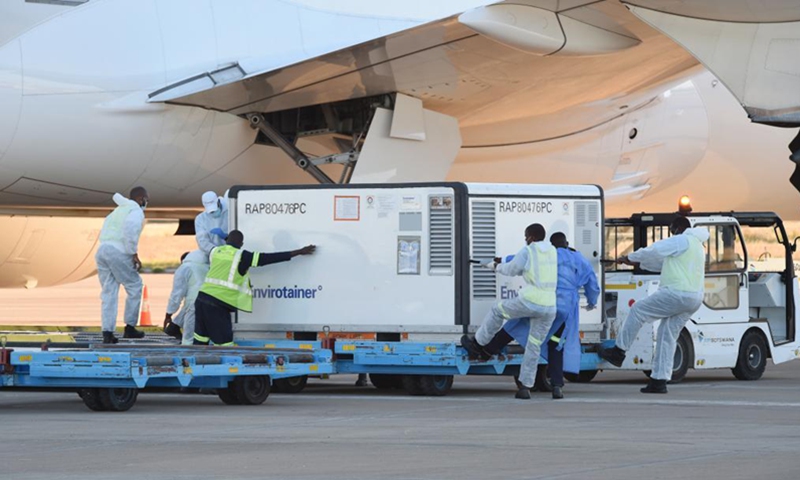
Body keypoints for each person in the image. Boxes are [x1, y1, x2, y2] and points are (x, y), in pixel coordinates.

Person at [481, 232, 600, 399]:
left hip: (548, 301)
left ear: (551, 244)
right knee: (556, 345)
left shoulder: (548, 254)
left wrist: (502, 260)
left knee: (515, 326)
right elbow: (592, 285)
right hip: (564, 310)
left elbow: (519, 259)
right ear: (566, 243)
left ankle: (486, 351)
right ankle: (557, 386)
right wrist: (591, 302)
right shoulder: (580, 259)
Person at [598, 216, 709, 394]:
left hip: (676, 293)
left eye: (672, 229)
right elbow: (661, 263)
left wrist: (630, 256)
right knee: (667, 336)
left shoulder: (682, 240)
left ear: (680, 227)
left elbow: (656, 250)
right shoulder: (697, 245)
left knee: (638, 310)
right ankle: (659, 380)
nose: (671, 233)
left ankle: (618, 352)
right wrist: (634, 261)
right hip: (694, 298)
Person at [461, 223, 558, 400]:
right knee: (533, 346)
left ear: (531, 237)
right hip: (550, 306)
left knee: (498, 310)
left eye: (526, 236)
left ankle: (478, 343)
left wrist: (494, 267)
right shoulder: (552, 251)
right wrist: (504, 259)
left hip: (531, 300)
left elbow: (512, 269)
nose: (525, 239)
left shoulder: (529, 250)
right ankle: (526, 387)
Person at [193, 230, 316, 346]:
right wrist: (299, 251)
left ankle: (195, 364)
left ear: (227, 241)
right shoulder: (242, 256)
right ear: (241, 244)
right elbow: (268, 258)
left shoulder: (216, 251)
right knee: (224, 344)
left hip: (201, 299)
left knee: (200, 338)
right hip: (218, 304)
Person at [96, 187, 149, 344]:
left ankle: (107, 332)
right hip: (119, 251)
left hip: (103, 251)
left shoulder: (117, 210)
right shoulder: (135, 211)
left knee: (109, 291)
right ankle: (130, 328)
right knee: (135, 286)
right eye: (146, 199)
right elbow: (130, 230)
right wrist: (133, 253)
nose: (146, 203)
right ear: (140, 199)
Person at [164, 250, 210, 345]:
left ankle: (187, 356)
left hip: (195, 308)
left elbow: (177, 294)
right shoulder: (206, 266)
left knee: (189, 341)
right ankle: (175, 326)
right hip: (213, 304)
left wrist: (169, 314)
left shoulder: (185, 268)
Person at [195, 191, 229, 256]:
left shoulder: (230, 213)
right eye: (211, 211)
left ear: (218, 202)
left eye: (214, 210)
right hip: (211, 254)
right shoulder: (201, 219)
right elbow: (202, 241)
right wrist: (214, 251)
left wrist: (226, 237)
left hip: (230, 253)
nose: (213, 212)